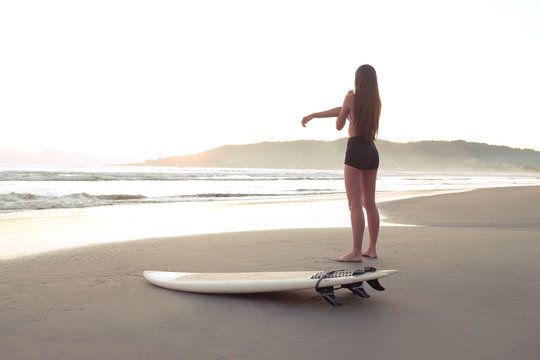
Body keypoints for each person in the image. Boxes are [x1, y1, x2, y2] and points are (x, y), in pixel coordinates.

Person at [301, 64, 381, 262]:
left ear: (358, 79)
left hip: (355, 149)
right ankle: (371, 249)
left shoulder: (350, 97)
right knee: (369, 203)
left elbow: (338, 124)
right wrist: (316, 114)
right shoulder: (375, 102)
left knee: (355, 204)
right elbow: (344, 109)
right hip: (372, 150)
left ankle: (355, 252)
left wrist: (343, 114)